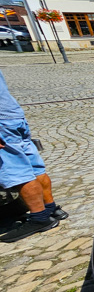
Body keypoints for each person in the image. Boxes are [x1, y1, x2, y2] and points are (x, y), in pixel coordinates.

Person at [0, 69, 67, 242]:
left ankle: (40, 218)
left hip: (1, 121)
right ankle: (51, 209)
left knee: (17, 171)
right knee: (35, 167)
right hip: (13, 114)